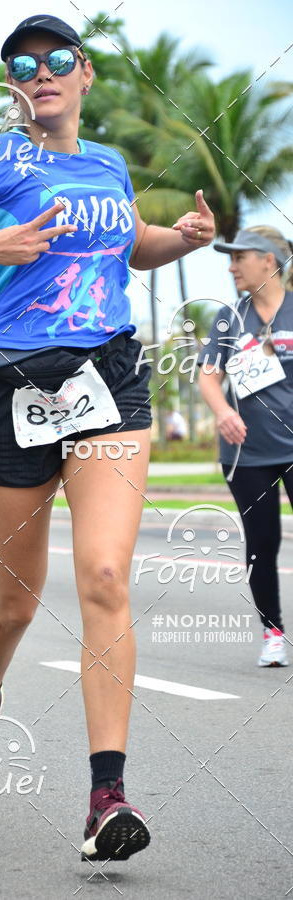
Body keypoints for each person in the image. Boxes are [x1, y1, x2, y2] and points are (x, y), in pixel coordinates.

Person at [0, 13, 215, 861]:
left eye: (57, 59)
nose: (41, 73)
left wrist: (180, 241)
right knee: (15, 603)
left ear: (85, 73)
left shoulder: (107, 164)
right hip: (8, 385)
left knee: (103, 575)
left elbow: (125, 245)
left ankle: (107, 799)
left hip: (106, 377)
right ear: (14, 84)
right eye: (23, 65)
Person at [198, 226, 293, 667]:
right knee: (261, 543)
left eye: (241, 257)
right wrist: (221, 411)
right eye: (230, 258)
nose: (232, 266)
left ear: (269, 262)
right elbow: (208, 374)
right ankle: (272, 633)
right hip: (246, 454)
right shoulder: (227, 318)